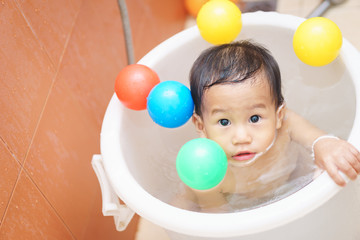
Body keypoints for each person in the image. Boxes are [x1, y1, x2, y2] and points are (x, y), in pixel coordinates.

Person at [177, 40, 360, 212]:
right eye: (224, 122)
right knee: (181, 202)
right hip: (237, 201)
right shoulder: (203, 166)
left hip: (291, 181)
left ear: (278, 115)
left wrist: (326, 144)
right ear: (201, 126)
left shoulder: (286, 125)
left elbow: (318, 140)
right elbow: (215, 213)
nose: (241, 137)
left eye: (255, 118)